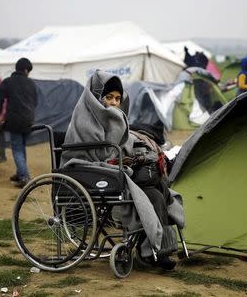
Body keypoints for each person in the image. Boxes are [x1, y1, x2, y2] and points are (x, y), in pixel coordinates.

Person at [61, 70, 180, 270]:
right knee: (149, 185)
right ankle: (152, 250)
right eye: (109, 97)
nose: (115, 103)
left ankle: (156, 251)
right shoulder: (85, 117)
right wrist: (117, 160)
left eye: (117, 98)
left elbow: (122, 145)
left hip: (114, 169)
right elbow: (93, 151)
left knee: (156, 195)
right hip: (89, 169)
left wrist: (132, 157)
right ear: (96, 97)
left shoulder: (116, 118)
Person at [0, 58, 37, 188]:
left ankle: (24, 176)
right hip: (28, 119)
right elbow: (35, 102)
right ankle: (19, 173)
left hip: (14, 119)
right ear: (25, 70)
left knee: (17, 148)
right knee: (21, 147)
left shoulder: (8, 82)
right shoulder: (31, 83)